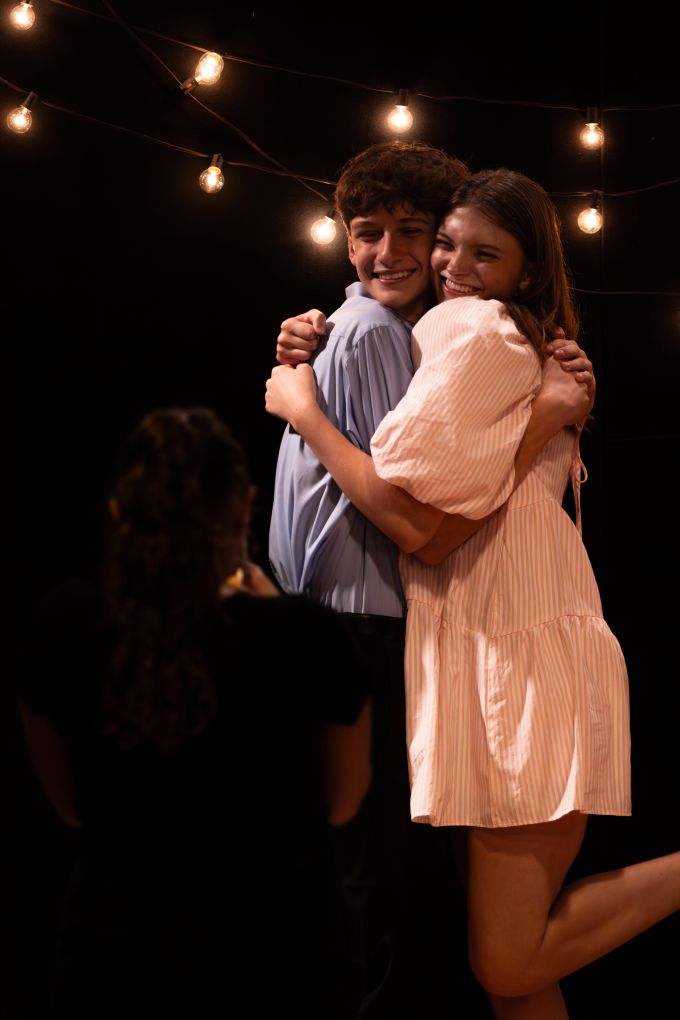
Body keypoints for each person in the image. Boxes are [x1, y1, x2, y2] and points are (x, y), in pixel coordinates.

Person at [265, 169, 680, 1019]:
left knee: (506, 960)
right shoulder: (459, 335)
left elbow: (421, 527)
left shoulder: (477, 329)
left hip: (518, 667)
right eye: (448, 243)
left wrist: (306, 412)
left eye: (479, 251)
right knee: (520, 981)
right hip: (491, 664)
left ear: (525, 271)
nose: (449, 264)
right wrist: (312, 330)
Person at [18, 407, 371, 1020]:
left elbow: (71, 808)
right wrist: (271, 606)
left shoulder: (63, 627)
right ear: (242, 511)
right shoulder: (307, 639)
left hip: (115, 965)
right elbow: (343, 803)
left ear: (119, 513)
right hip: (279, 966)